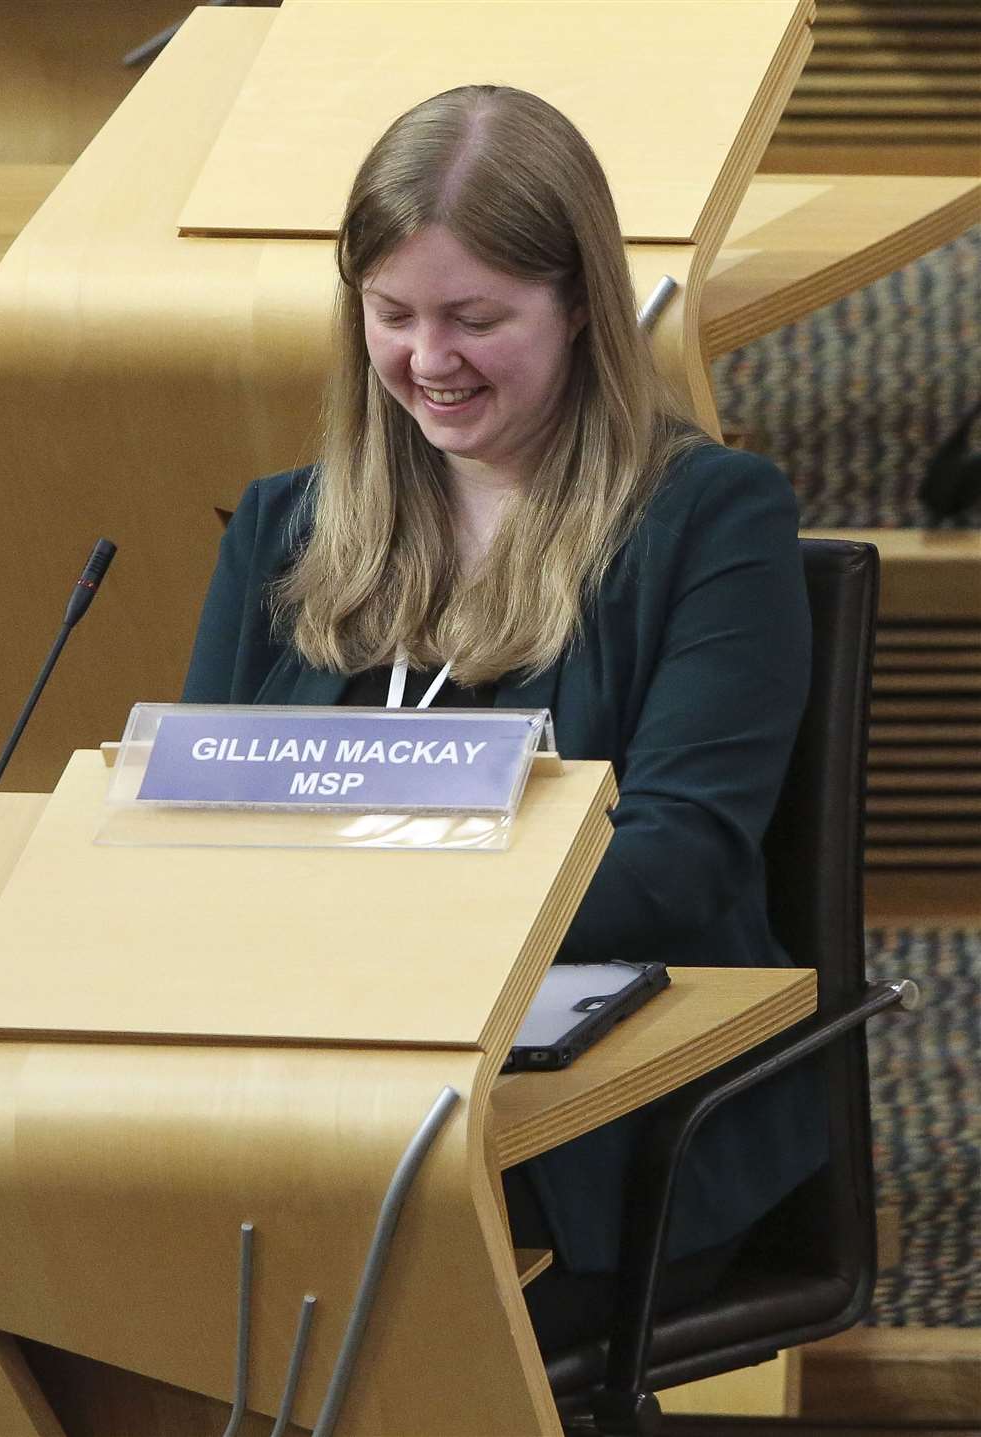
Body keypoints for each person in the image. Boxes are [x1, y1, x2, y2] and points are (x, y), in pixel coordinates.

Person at [183, 85, 826, 1357]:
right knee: (94, 1275)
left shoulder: (711, 518)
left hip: (599, 1117)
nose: (430, 359)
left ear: (580, 303)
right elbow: (191, 828)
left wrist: (380, 911)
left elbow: (682, 853)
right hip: (307, 1092)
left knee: (320, 1325)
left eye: (478, 318)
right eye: (394, 315)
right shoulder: (284, 526)